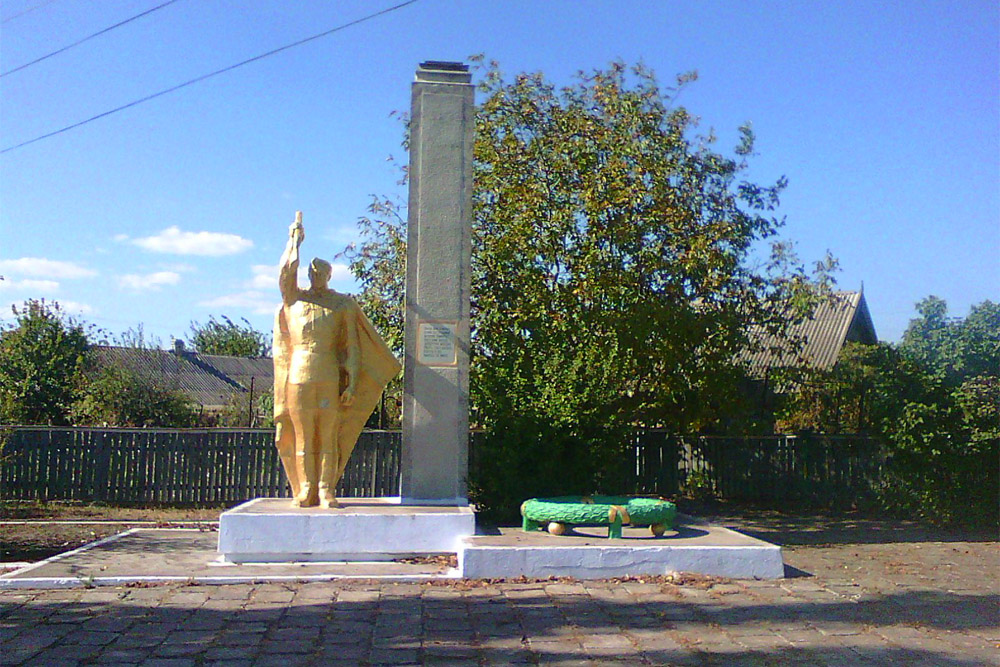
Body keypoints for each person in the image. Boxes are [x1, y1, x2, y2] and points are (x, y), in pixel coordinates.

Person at [273, 211, 400, 508]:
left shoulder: (342, 305)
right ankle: (306, 489)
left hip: (329, 374)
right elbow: (285, 272)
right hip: (298, 376)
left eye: (321, 273)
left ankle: (326, 489)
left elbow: (351, 349)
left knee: (328, 436)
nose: (315, 277)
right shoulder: (294, 301)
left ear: (329, 275)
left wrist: (352, 383)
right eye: (312, 273)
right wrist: (294, 242)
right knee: (304, 437)